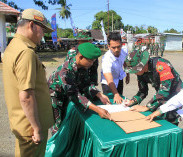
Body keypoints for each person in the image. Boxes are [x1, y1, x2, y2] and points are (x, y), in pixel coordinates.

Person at [2, 9, 54, 156]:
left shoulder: (13, 46)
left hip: (23, 124)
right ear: (32, 25)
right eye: (42, 30)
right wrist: (36, 128)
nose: (43, 34)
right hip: (31, 128)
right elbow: (26, 96)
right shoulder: (26, 52)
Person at [48, 42, 111, 135]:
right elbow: (75, 96)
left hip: (68, 95)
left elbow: (86, 84)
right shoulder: (65, 72)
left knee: (69, 123)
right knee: (58, 128)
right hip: (56, 98)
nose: (92, 64)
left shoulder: (82, 66)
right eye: (90, 61)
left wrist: (99, 94)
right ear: (80, 57)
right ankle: (57, 148)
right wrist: (97, 109)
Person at [124, 50, 183, 125]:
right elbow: (143, 91)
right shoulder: (141, 72)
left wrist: (147, 107)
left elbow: (164, 91)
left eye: (135, 69)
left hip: (175, 95)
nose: (134, 73)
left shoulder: (161, 65)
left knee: (170, 121)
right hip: (161, 96)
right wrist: (133, 101)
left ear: (144, 64)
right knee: (158, 120)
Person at [101, 32, 130, 104]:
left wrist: (127, 74)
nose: (116, 50)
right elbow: (109, 77)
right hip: (108, 84)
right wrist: (116, 94)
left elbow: (125, 62)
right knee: (110, 103)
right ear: (108, 46)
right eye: (113, 47)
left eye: (118, 46)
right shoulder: (106, 59)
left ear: (121, 44)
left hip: (119, 79)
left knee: (120, 100)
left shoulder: (124, 51)